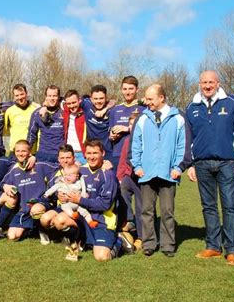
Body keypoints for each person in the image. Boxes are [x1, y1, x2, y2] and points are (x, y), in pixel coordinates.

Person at [186, 71, 234, 266]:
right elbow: (188, 138)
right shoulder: (192, 106)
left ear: (218, 83)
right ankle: (213, 246)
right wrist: (190, 163)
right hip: (202, 164)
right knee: (208, 206)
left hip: (227, 163)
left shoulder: (232, 102)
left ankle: (232, 250)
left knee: (229, 206)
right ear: (199, 84)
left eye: (211, 82)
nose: (207, 86)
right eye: (204, 82)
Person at [131, 84, 191, 257]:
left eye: (150, 99)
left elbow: (183, 145)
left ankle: (168, 245)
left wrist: (179, 167)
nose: (146, 102)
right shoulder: (142, 118)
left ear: (161, 98)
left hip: (168, 173)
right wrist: (137, 166)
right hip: (146, 173)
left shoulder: (178, 117)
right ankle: (149, 244)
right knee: (146, 210)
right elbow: (135, 144)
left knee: (167, 211)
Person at [59, 140, 125, 262]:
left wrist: (80, 200)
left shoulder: (108, 174)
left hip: (102, 220)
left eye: (95, 153)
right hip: (83, 216)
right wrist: (62, 196)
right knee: (59, 220)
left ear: (103, 153)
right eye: (88, 153)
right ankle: (81, 239)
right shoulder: (80, 170)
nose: (91, 156)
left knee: (101, 257)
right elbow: (67, 184)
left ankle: (120, 241)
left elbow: (105, 205)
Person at [1, 140, 56, 241]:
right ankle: (31, 230)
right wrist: (5, 186)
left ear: (29, 151)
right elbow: (3, 182)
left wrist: (36, 157)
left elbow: (57, 164)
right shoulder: (14, 169)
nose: (20, 154)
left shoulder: (40, 164)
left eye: (23, 151)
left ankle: (42, 230)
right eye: (17, 151)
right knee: (12, 237)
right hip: (25, 208)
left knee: (36, 210)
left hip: (41, 204)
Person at [116, 112, 143, 250]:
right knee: (122, 191)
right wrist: (120, 177)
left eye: (136, 124)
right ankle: (128, 220)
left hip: (142, 178)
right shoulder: (127, 140)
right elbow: (122, 160)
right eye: (131, 124)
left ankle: (141, 236)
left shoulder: (146, 139)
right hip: (128, 176)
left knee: (141, 206)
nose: (133, 127)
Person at [109, 76, 145, 169]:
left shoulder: (144, 109)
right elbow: (110, 132)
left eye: (131, 89)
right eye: (125, 89)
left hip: (136, 154)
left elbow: (146, 131)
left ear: (137, 90)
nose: (128, 92)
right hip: (118, 154)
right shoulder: (115, 110)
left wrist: (128, 129)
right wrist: (112, 136)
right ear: (121, 90)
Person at [27, 85, 64, 163]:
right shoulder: (37, 113)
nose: (52, 98)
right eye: (49, 96)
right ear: (46, 97)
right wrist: (27, 152)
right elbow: (31, 134)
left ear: (59, 97)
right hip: (43, 154)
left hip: (61, 155)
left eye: (54, 96)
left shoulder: (64, 112)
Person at [80, 85, 115, 161]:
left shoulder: (112, 110)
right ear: (91, 99)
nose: (98, 101)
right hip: (91, 152)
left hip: (107, 152)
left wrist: (105, 109)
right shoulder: (86, 105)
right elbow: (69, 100)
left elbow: (113, 101)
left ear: (106, 98)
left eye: (101, 98)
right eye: (95, 99)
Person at [4, 84, 40, 156]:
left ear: (26, 93)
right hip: (15, 151)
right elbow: (5, 132)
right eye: (17, 95)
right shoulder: (9, 111)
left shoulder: (36, 109)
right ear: (14, 97)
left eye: (22, 94)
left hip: (31, 151)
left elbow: (40, 131)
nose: (20, 97)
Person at [62, 90, 87, 164]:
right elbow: (53, 99)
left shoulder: (86, 112)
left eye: (74, 102)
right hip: (69, 153)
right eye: (69, 103)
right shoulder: (65, 111)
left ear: (79, 100)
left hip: (83, 154)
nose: (72, 106)